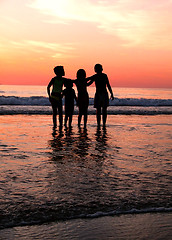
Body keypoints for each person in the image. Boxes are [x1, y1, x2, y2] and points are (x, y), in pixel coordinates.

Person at [87, 64, 114, 128]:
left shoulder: (95, 76)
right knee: (103, 110)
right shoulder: (104, 76)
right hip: (104, 93)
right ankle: (103, 124)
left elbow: (88, 82)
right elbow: (108, 85)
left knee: (98, 110)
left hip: (99, 94)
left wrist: (81, 82)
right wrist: (112, 93)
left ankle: (99, 124)